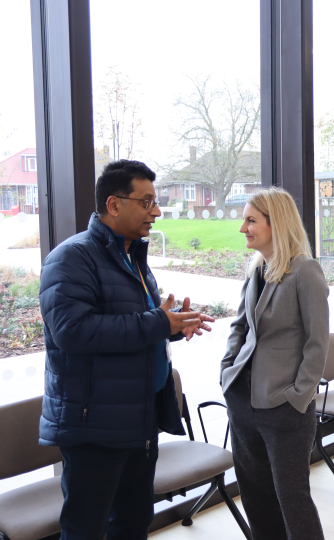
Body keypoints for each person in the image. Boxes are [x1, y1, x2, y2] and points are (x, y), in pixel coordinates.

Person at [39, 159, 214, 540]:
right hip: (94, 425)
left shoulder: (132, 256)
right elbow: (72, 331)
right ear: (115, 205)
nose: (157, 210)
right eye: (147, 201)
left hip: (138, 418)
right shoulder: (71, 258)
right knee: (87, 528)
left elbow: (132, 325)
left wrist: (171, 325)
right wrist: (156, 322)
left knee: (134, 523)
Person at [220, 187, 329, 540]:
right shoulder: (256, 269)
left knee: (292, 498)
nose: (243, 228)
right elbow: (239, 327)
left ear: (275, 223)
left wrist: (299, 397)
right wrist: (227, 371)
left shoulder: (305, 271)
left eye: (250, 220)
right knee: (255, 496)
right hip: (243, 401)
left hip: (284, 407)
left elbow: (318, 343)